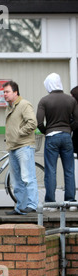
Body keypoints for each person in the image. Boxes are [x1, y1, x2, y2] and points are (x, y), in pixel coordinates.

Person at [37, 73, 78, 211]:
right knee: (69, 170)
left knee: (51, 170)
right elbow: (77, 120)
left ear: (49, 84)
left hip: (51, 137)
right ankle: (71, 202)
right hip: (67, 137)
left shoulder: (44, 100)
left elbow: (38, 121)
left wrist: (46, 131)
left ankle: (51, 203)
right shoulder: (70, 100)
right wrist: (68, 129)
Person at [3, 81, 38, 215]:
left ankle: (32, 205)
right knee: (16, 180)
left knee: (27, 177)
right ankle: (20, 208)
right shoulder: (9, 107)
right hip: (13, 147)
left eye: (7, 92)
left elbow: (32, 123)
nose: (4, 94)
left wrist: (19, 133)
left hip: (24, 146)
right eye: (4, 92)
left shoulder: (24, 104)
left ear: (15, 92)